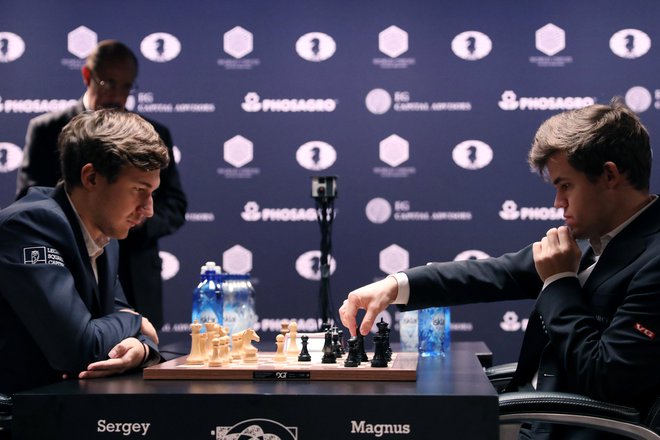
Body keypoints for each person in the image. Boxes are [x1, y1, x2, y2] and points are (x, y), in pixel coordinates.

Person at [339, 100, 660, 439]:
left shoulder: (653, 261)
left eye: (566, 186)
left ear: (610, 175)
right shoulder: (588, 238)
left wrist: (560, 281)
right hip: (538, 419)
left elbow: (606, 377)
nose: (557, 203)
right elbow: (493, 274)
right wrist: (394, 285)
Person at [16, 39, 187, 329]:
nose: (116, 95)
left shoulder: (154, 133)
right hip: (67, 269)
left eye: (126, 86)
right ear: (87, 76)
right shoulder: (47, 129)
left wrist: (128, 219)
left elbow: (174, 205)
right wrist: (88, 227)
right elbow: (31, 199)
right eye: (108, 83)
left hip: (136, 274)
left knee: (140, 343)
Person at [0, 109, 167, 395]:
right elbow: (78, 348)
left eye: (151, 192)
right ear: (91, 178)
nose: (149, 209)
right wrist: (137, 320)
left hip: (65, 410)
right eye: (138, 189)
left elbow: (122, 326)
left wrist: (140, 348)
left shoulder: (104, 231)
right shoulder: (29, 227)